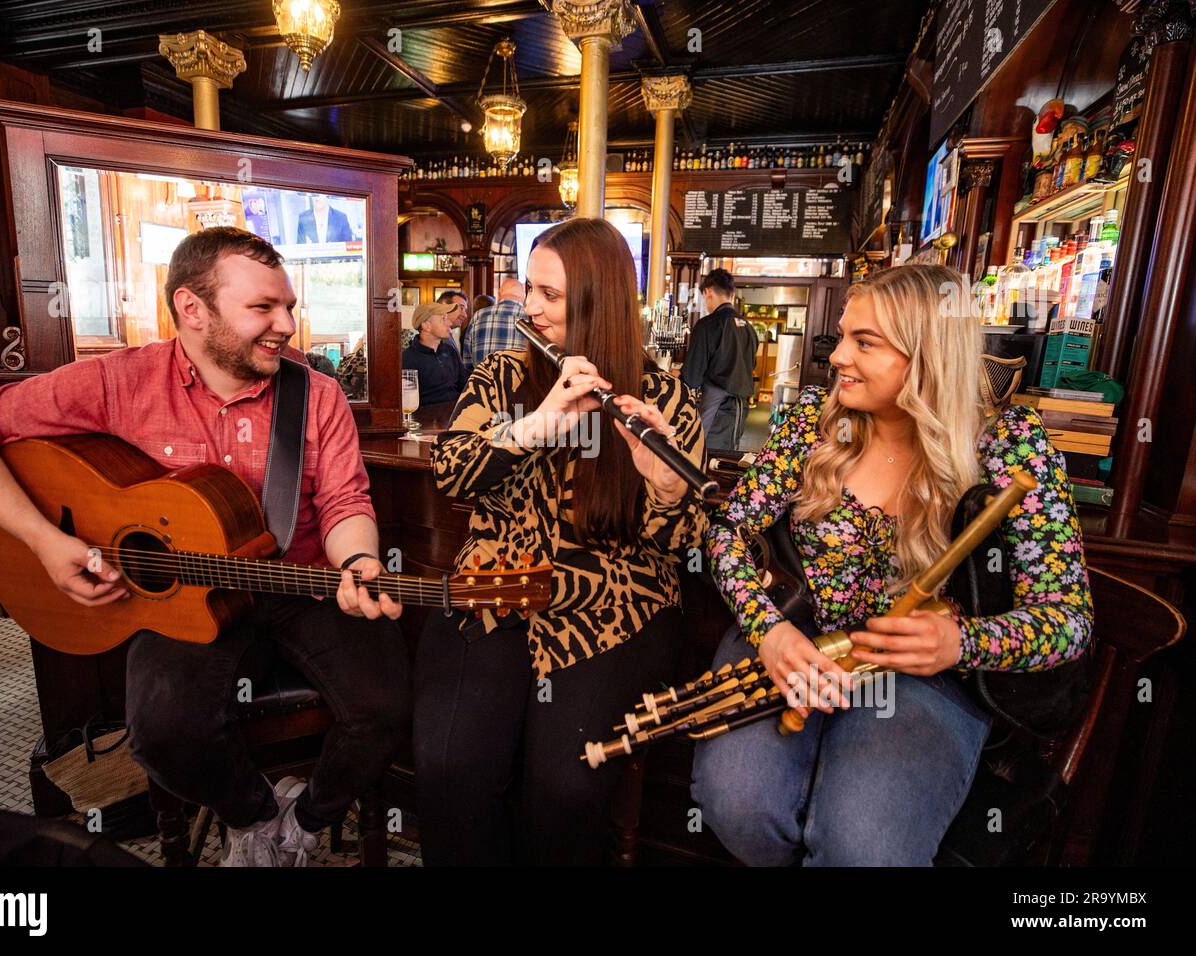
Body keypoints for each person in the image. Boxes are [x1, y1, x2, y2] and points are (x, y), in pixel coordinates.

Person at [0, 227, 410, 867]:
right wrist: (45, 541)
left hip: (298, 582)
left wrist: (360, 563)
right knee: (164, 734)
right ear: (191, 309)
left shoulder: (316, 394)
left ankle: (302, 824)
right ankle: (251, 816)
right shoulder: (117, 382)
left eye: (288, 306)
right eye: (263, 308)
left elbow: (344, 503)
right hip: (180, 597)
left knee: (385, 706)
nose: (287, 324)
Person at [690, 264, 1093, 866]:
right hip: (791, 642)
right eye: (845, 336)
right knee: (741, 808)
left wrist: (961, 641)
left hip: (920, 678)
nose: (838, 358)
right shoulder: (814, 422)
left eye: (865, 342)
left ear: (927, 353)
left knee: (865, 846)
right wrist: (767, 630)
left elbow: (1071, 619)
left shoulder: (1011, 445)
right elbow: (729, 532)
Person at [415, 217, 708, 865]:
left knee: (563, 788)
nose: (530, 306)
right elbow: (452, 472)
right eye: (531, 289)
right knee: (448, 768)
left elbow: (692, 548)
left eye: (551, 295)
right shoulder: (499, 376)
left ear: (599, 303)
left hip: (614, 608)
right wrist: (538, 425)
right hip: (496, 589)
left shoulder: (667, 399)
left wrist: (663, 489)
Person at [681, 268, 758, 449]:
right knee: (726, 456)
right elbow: (748, 366)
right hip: (740, 409)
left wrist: (678, 375)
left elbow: (692, 378)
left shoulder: (707, 325)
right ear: (732, 294)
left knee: (704, 455)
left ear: (707, 292)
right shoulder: (749, 328)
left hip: (715, 406)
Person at [402, 300, 468, 406]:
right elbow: (407, 401)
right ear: (426, 326)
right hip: (426, 418)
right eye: (443, 319)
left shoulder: (450, 352)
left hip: (455, 415)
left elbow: (465, 386)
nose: (450, 323)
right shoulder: (408, 358)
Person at [461, 276, 527, 371]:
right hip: (521, 384)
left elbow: (467, 362)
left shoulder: (479, 316)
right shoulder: (531, 319)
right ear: (523, 297)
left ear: (499, 295)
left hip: (482, 383)